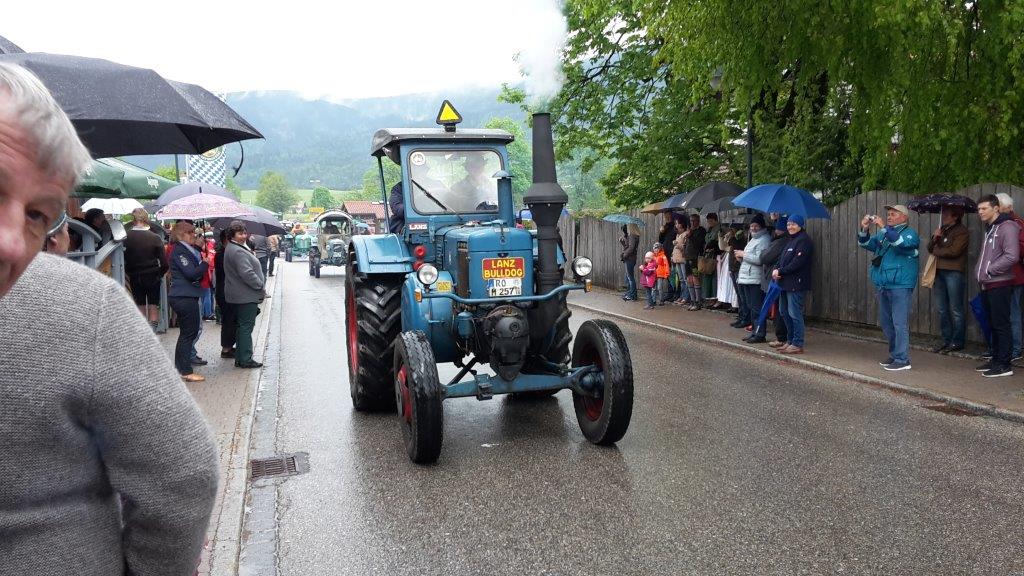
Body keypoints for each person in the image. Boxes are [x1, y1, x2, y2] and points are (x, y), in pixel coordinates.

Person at [0, 61, 217, 575]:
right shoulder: (89, 305)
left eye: (37, 213)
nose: (11, 241)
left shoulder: (94, 301)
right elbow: (183, 474)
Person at [858, 204, 920, 371]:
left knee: (900, 323)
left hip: (901, 284)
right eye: (889, 214)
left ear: (904, 217)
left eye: (894, 214)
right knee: (887, 323)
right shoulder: (884, 234)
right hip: (884, 283)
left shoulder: (910, 233)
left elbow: (900, 243)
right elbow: (866, 244)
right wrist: (864, 228)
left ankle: (902, 359)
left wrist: (883, 226)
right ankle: (894, 355)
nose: (890, 216)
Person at [974, 194, 1020, 377]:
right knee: (992, 322)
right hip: (987, 283)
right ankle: (995, 358)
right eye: (979, 209)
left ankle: (1004, 364)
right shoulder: (990, 228)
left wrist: (990, 271)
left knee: (1001, 324)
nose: (980, 212)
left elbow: (1012, 256)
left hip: (999, 283)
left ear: (996, 208)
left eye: (984, 208)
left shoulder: (1007, 227)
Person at [168, 221, 211, 382]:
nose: (194, 234)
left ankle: (182, 368)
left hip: (187, 295)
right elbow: (191, 274)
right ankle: (185, 370)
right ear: (181, 234)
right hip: (184, 296)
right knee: (188, 334)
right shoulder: (179, 251)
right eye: (191, 232)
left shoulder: (186, 250)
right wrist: (205, 263)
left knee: (187, 333)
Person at [927, 205, 969, 354]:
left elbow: (954, 251)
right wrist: (934, 237)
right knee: (941, 308)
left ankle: (957, 341)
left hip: (954, 273)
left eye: (946, 213)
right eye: (943, 213)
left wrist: (937, 250)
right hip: (938, 272)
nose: (943, 215)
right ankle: (946, 339)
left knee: (956, 308)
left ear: (955, 216)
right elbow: (929, 248)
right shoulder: (942, 229)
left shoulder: (962, 231)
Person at [224, 221, 266, 368]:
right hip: (245, 295)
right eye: (240, 233)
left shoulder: (235, 248)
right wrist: (260, 285)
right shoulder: (238, 251)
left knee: (242, 327)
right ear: (232, 235)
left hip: (239, 294)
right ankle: (245, 359)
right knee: (246, 327)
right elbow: (247, 273)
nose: (243, 236)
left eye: (244, 233)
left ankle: (241, 358)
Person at [772, 214, 814, 354]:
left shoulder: (804, 241)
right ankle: (789, 340)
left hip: (796, 283)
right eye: (789, 224)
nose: (790, 226)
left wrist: (781, 271)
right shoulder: (790, 240)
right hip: (784, 283)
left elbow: (797, 263)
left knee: (794, 313)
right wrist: (776, 269)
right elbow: (781, 259)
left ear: (800, 225)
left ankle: (797, 343)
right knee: (784, 312)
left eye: (793, 224)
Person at [124, 207, 168, 329]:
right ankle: (153, 333)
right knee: (153, 306)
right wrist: (159, 274)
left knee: (140, 306)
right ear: (146, 219)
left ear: (133, 220)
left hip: (134, 275)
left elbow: (124, 258)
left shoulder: (126, 237)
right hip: (152, 275)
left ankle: (143, 336)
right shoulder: (155, 238)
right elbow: (164, 263)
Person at [995, 192, 1024, 361]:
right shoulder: (998, 224)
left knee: (1013, 312)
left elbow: (1020, 249)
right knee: (1000, 313)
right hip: (999, 276)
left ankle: (1015, 348)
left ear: (1007, 207)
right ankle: (1001, 347)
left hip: (1014, 275)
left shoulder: (1016, 224)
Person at [735, 214, 770, 342]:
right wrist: (740, 258)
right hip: (746, 277)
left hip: (755, 278)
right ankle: (755, 332)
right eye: (752, 226)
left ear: (761, 226)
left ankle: (760, 334)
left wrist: (743, 254)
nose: (753, 228)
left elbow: (760, 260)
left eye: (756, 226)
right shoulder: (753, 239)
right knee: (751, 307)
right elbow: (749, 259)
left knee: (756, 307)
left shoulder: (764, 239)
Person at [761, 217, 790, 347]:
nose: (776, 230)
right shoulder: (784, 241)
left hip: (778, 279)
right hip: (778, 277)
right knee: (780, 309)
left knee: (780, 309)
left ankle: (782, 337)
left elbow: (765, 257)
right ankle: (784, 337)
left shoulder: (781, 241)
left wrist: (763, 252)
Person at [215, 227, 237, 358]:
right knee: (228, 320)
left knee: (228, 320)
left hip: (223, 290)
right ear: (227, 239)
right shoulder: (224, 254)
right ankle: (226, 348)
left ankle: (227, 346)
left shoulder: (222, 253)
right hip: (225, 291)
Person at [684, 213, 706, 310]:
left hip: (695, 258)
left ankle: (698, 302)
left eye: (694, 221)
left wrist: (691, 235)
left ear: (698, 221)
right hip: (687, 257)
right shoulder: (689, 231)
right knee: (688, 279)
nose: (692, 223)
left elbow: (698, 244)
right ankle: (692, 301)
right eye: (691, 221)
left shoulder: (701, 231)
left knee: (695, 278)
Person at [703, 212, 722, 306]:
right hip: (708, 255)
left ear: (715, 220)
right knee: (708, 276)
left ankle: (717, 298)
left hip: (716, 255)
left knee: (716, 277)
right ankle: (710, 298)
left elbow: (717, 242)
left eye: (710, 221)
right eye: (708, 221)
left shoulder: (720, 229)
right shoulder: (709, 229)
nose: (709, 222)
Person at [658, 216, 678, 301]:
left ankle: (675, 293)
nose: (667, 218)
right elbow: (661, 240)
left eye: (669, 216)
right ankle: (670, 293)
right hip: (665, 253)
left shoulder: (675, 227)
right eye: (666, 216)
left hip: (673, 253)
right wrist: (661, 232)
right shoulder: (666, 226)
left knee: (674, 274)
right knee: (668, 273)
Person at [670, 218, 688, 305]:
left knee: (685, 279)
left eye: (677, 223)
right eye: (675, 223)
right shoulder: (678, 235)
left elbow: (685, 248)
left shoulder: (686, 234)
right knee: (680, 279)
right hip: (676, 259)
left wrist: (677, 244)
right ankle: (681, 295)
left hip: (683, 259)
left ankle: (686, 297)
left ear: (682, 224)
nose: (676, 225)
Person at [620, 224, 640, 301]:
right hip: (631, 258)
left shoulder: (632, 236)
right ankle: (629, 293)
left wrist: (624, 255)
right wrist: (622, 242)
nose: (627, 228)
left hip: (630, 259)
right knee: (627, 277)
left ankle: (633, 295)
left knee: (630, 278)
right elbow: (627, 247)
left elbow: (631, 248)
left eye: (628, 226)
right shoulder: (634, 236)